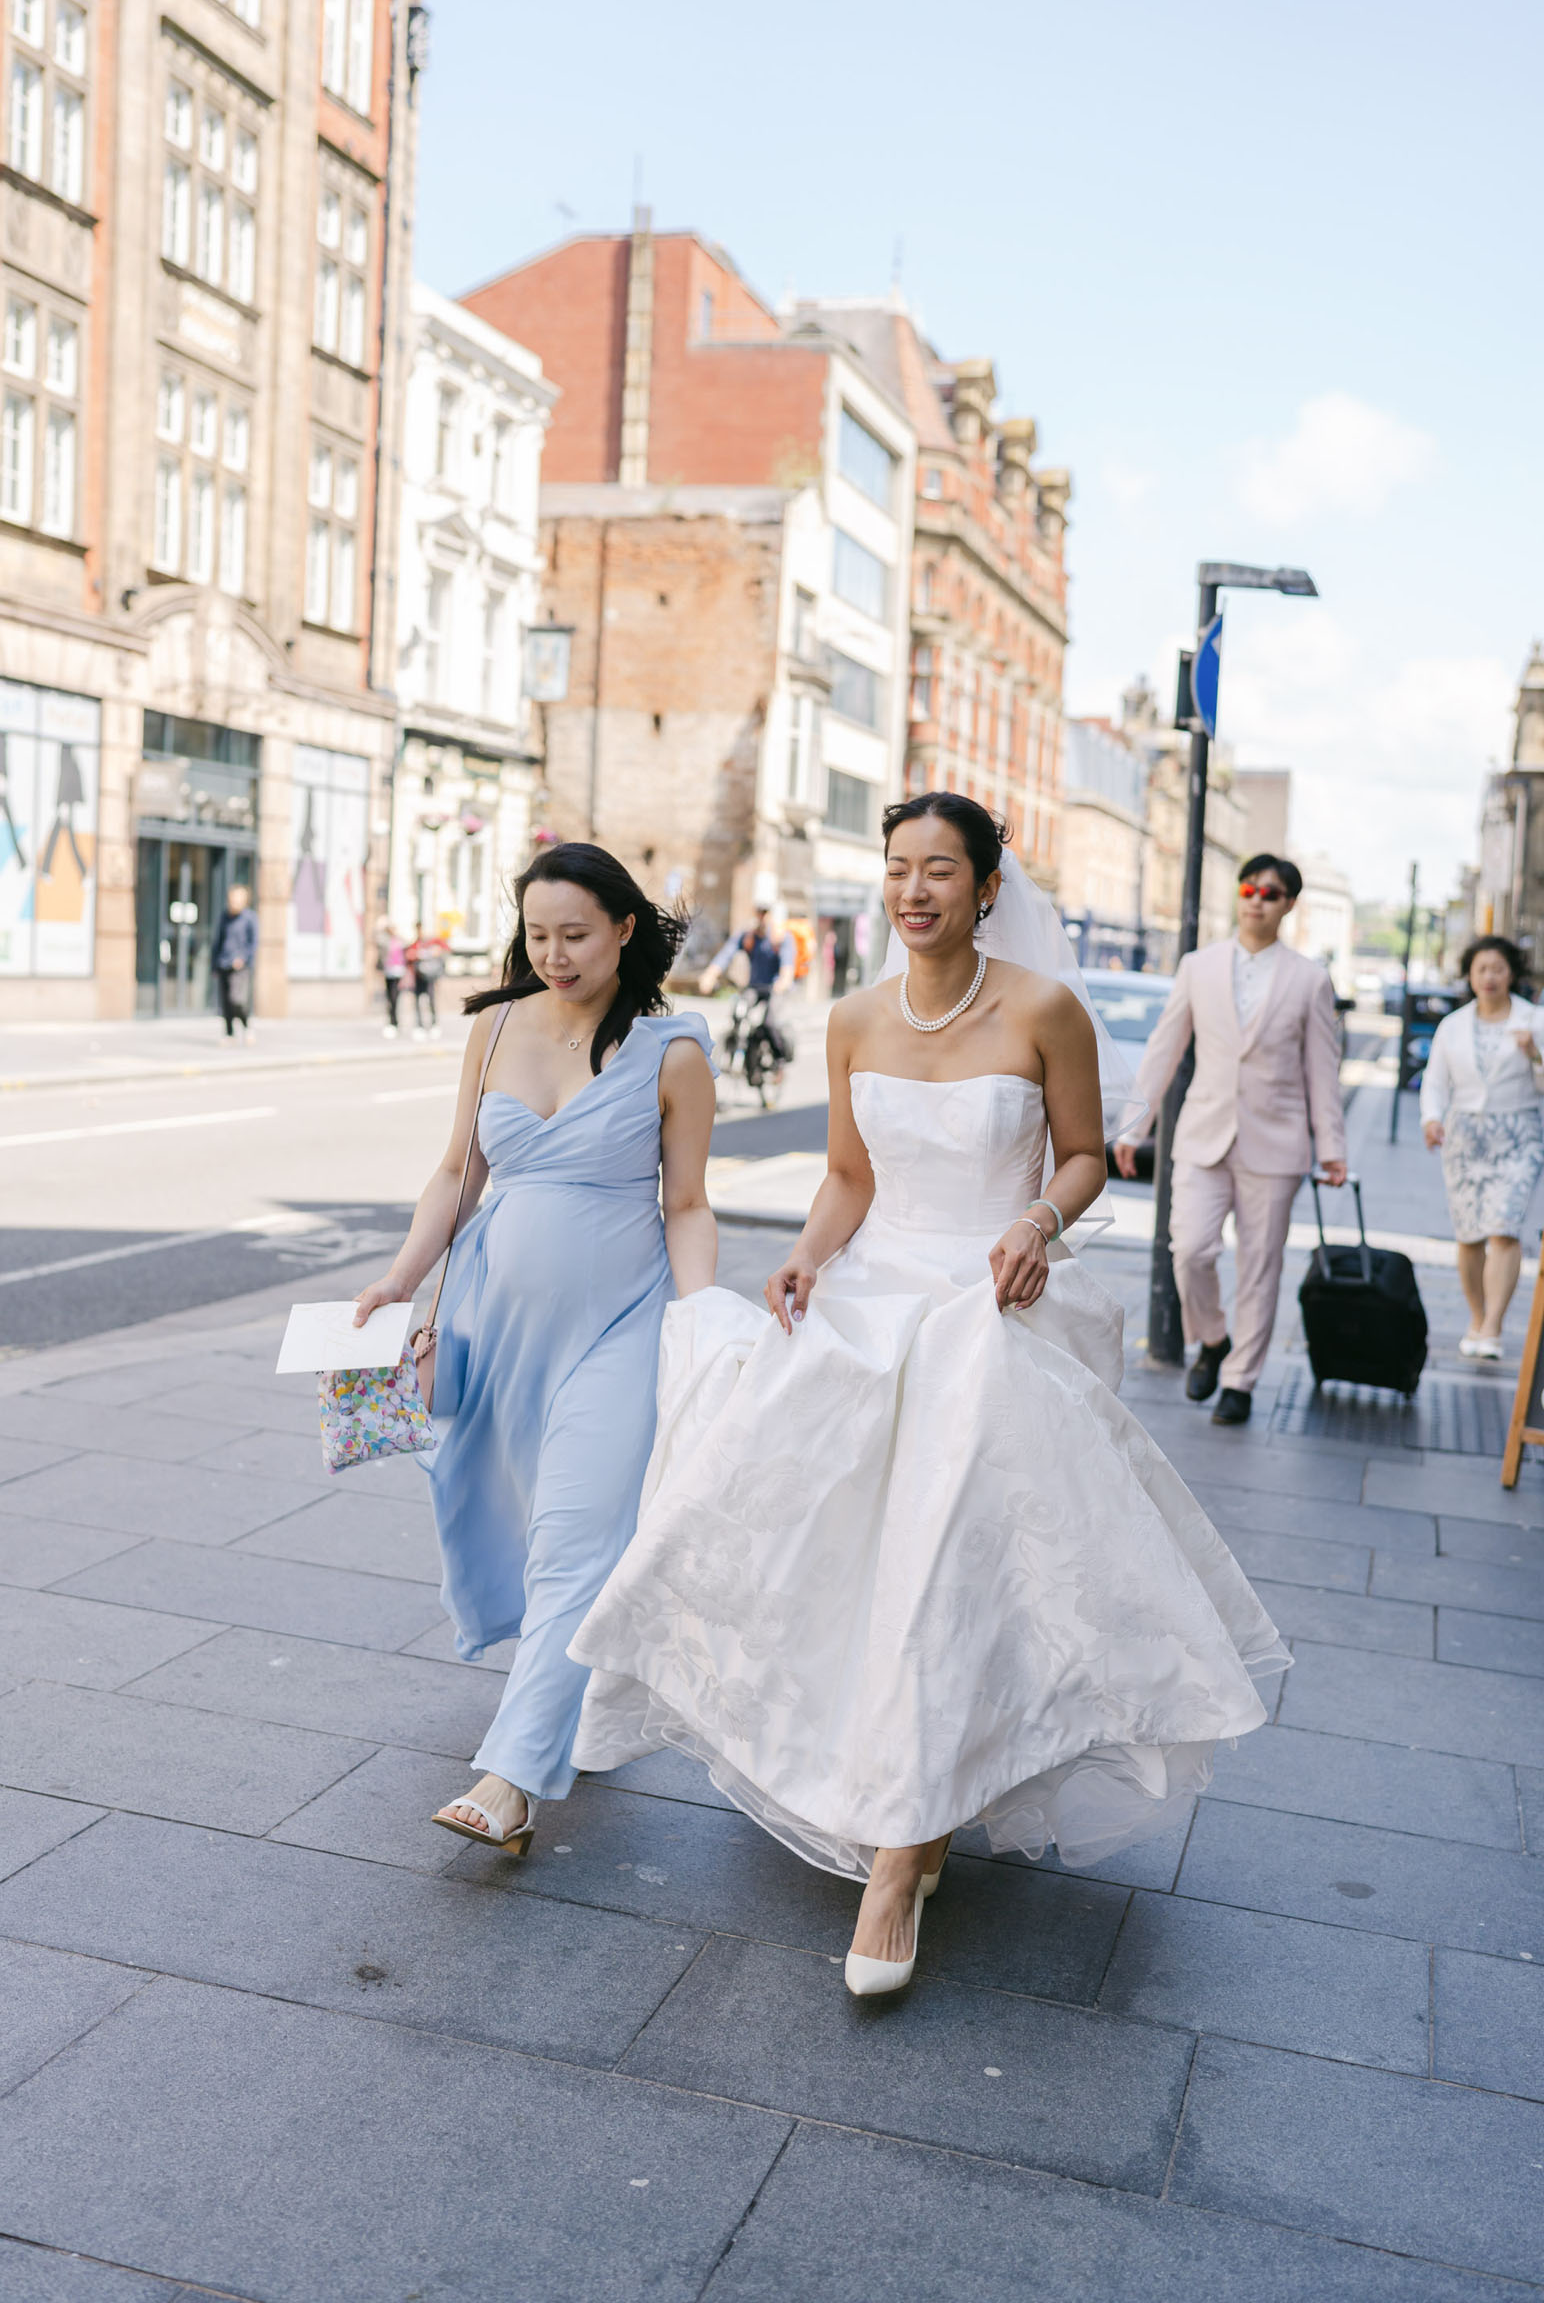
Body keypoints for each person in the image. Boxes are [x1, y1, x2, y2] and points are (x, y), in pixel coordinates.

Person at [570, 793, 1284, 1995]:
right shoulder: (852, 1017)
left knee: (946, 1563)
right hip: (865, 1302)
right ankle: (889, 1789)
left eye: (939, 870)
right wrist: (806, 1252)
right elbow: (851, 1176)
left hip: (987, 1306)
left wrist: (1037, 1222)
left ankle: (901, 1860)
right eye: (897, 868)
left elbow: (1085, 1155)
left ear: (987, 886)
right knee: (818, 1554)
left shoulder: (1044, 1008)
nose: (914, 890)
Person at [352, 843, 716, 1855]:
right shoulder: (496, 1026)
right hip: (491, 1319)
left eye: (576, 935)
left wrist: (699, 1327)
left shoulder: (672, 1053)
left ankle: (511, 1779)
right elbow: (455, 1176)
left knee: (574, 1539)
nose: (554, 954)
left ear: (625, 931)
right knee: (513, 1518)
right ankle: (577, 1692)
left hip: (620, 1322)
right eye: (538, 935)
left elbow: (685, 1206)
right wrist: (400, 1276)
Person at [1115, 854, 1347, 1427]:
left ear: (1288, 905)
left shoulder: (1311, 980)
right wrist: (1134, 1125)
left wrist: (1332, 1146)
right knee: (1189, 1249)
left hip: (1277, 1141)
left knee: (1261, 1266)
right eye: (1249, 888)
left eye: (1271, 893)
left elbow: (1323, 1069)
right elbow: (1164, 1048)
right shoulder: (1198, 965)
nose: (1257, 899)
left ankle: (1241, 1380)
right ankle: (1213, 1340)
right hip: (1203, 1133)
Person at [1421, 934, 1544, 1360]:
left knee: (1504, 1228)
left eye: (1498, 969)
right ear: (1470, 976)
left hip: (1519, 1134)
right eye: (1481, 970)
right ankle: (1476, 1317)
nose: (1489, 977)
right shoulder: (1452, 1025)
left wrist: (1535, 1055)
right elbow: (1435, 1082)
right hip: (1465, 1136)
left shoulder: (1534, 1020)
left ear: (1512, 974)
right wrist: (1431, 1119)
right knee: (1470, 1236)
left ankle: (1492, 1326)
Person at [702, 906, 792, 1063]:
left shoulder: (780, 937)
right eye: (759, 912)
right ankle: (738, 1050)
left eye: (766, 913)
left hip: (774, 989)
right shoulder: (748, 936)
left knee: (769, 1023)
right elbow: (726, 954)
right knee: (739, 1012)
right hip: (754, 987)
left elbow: (787, 966)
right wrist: (710, 974)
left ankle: (779, 1059)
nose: (762, 917)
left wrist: (783, 981)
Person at [211, 884, 257, 1042]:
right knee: (225, 1002)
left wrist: (243, 958)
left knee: (236, 999)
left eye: (237, 900)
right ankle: (229, 1033)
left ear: (244, 901)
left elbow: (253, 943)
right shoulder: (224, 917)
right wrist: (214, 964)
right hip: (223, 962)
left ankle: (246, 1025)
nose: (233, 903)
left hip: (240, 966)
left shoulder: (249, 918)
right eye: (231, 900)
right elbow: (218, 941)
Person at [406, 924, 448, 1039]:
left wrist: (427, 953)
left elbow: (444, 950)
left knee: (431, 1001)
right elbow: (408, 955)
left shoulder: (433, 942)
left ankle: (434, 1024)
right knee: (417, 1002)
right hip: (418, 977)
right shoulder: (414, 943)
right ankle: (419, 1026)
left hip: (430, 977)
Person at [376, 921, 407, 1038]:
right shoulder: (385, 940)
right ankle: (392, 1021)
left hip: (398, 971)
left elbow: (405, 950)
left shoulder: (399, 940)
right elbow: (377, 941)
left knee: (395, 997)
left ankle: (395, 1021)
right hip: (389, 971)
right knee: (390, 997)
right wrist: (380, 928)